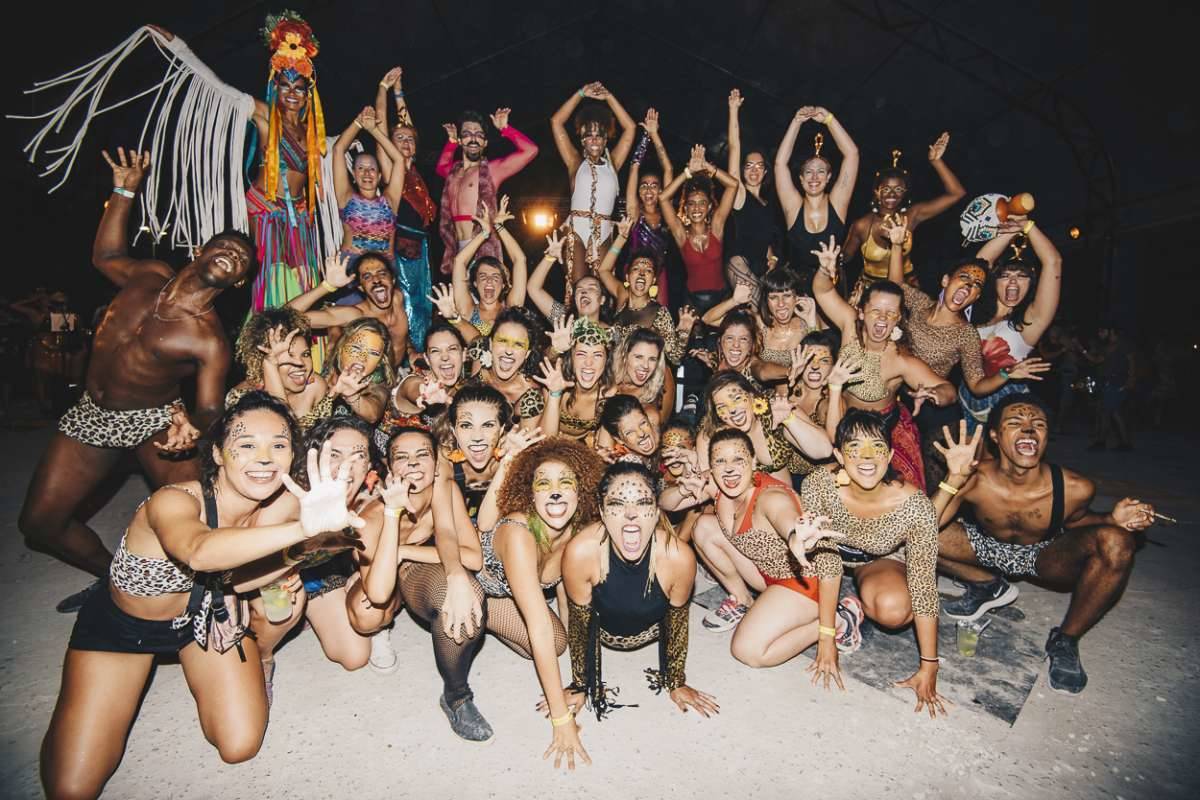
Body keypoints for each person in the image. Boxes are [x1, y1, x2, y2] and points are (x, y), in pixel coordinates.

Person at [40, 391, 365, 799]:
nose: (264, 458)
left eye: (278, 446)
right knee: (72, 788)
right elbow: (200, 552)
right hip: (123, 631)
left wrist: (302, 552)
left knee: (240, 745)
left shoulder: (272, 507)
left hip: (202, 622)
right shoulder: (174, 500)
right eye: (246, 445)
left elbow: (240, 581)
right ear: (217, 454)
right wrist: (304, 532)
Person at [19, 149, 254, 609]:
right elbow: (106, 254)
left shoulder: (209, 340)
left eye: (242, 259)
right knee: (40, 523)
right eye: (225, 246)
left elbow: (209, 407)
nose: (231, 255)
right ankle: (118, 580)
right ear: (199, 250)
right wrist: (125, 190)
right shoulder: (147, 275)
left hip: (154, 422)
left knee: (200, 519)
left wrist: (191, 427)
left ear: (240, 282)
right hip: (92, 414)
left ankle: (210, 601)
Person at [22, 17, 332, 315]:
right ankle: (269, 342)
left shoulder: (313, 134)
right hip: (265, 208)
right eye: (285, 85)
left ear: (308, 94)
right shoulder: (265, 116)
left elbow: (336, 146)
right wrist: (178, 47)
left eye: (299, 87)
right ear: (275, 87)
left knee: (306, 277)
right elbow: (218, 86)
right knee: (274, 277)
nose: (292, 93)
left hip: (301, 216)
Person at [933, 395, 1155, 693]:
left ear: (1047, 435)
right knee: (911, 529)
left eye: (1038, 425)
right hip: (983, 546)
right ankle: (987, 585)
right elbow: (928, 523)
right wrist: (954, 478)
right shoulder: (976, 476)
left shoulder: (1075, 486)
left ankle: (1065, 640)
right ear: (996, 436)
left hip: (1043, 556)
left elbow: (1077, 523)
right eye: (1016, 423)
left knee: (1117, 543)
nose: (1028, 430)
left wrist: (1111, 520)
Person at [880, 216, 1049, 485]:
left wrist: (1008, 374)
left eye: (976, 286)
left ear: (976, 297)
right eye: (964, 278)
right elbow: (894, 287)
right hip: (896, 394)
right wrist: (898, 245)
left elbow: (977, 385)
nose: (969, 286)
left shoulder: (966, 333)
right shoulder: (920, 302)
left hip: (934, 410)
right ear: (946, 280)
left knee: (931, 478)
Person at [801, 410, 947, 716]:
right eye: (854, 447)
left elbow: (923, 584)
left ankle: (855, 606)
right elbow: (827, 560)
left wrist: (929, 665)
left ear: (890, 454)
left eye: (876, 447)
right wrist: (826, 638)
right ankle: (840, 615)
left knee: (894, 609)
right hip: (825, 558)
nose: (866, 457)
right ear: (839, 455)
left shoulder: (913, 505)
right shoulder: (819, 484)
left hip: (877, 559)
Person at [474, 439, 606, 769]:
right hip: (478, 590)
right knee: (545, 637)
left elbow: (572, 602)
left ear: (582, 491)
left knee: (558, 642)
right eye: (543, 483)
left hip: (513, 597)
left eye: (566, 483)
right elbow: (538, 624)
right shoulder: (520, 532)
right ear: (530, 494)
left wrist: (580, 681)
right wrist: (561, 720)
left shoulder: (578, 531)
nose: (556, 492)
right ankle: (478, 622)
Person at [562, 462, 719, 719]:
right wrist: (581, 684)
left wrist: (675, 681)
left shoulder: (678, 557)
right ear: (602, 511)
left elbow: (677, 623)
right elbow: (580, 625)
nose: (631, 514)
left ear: (657, 512)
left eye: (643, 502)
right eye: (617, 504)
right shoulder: (581, 552)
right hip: (603, 633)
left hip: (652, 632)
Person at [686, 430, 849, 666]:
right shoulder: (722, 482)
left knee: (747, 651)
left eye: (738, 459)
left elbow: (787, 520)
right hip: (767, 574)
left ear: (753, 461)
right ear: (711, 466)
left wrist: (797, 537)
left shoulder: (771, 497)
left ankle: (837, 618)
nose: (729, 468)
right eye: (720, 461)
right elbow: (666, 501)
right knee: (703, 527)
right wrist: (681, 483)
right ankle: (743, 600)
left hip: (803, 584)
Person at [811, 237, 956, 490]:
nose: (882, 318)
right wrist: (824, 271)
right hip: (840, 414)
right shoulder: (848, 326)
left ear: (898, 318)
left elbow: (949, 391)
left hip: (885, 427)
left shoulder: (901, 360)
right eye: (876, 310)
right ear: (861, 311)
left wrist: (934, 394)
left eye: (890, 313)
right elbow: (823, 291)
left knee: (901, 493)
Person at [248, 416, 377, 699]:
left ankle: (309, 613)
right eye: (335, 454)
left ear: (369, 465)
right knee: (283, 608)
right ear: (315, 458)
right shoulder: (288, 498)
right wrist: (288, 563)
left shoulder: (369, 501)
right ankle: (263, 657)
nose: (346, 465)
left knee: (354, 656)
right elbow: (245, 564)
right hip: (267, 575)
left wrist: (360, 573)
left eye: (358, 456)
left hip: (321, 576)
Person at [961, 215, 1063, 431]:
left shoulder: (1030, 321)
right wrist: (1010, 231)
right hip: (966, 398)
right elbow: (979, 263)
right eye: (1005, 275)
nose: (1013, 282)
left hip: (1007, 402)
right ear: (993, 280)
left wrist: (1028, 226)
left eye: (1022, 276)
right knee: (968, 463)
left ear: (1031, 283)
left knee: (1000, 465)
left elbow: (1053, 262)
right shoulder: (973, 314)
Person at [841, 133, 966, 285]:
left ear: (905, 193)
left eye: (899, 190)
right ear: (876, 192)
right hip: (871, 288)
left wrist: (936, 161)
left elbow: (956, 193)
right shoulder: (862, 225)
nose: (892, 194)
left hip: (906, 286)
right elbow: (845, 256)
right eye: (886, 189)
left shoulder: (912, 216)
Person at [374, 66, 438, 350]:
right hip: (399, 246)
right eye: (399, 140)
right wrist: (384, 90)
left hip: (421, 247)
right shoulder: (392, 169)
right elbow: (380, 129)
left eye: (411, 139)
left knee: (424, 304)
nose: (407, 142)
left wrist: (401, 93)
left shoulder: (416, 173)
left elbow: (405, 126)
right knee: (405, 305)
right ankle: (405, 356)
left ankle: (423, 355)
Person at [550, 83, 638, 281]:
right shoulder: (575, 162)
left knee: (603, 289)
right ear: (582, 140)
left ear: (606, 139)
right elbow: (556, 122)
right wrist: (580, 93)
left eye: (599, 135)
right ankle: (565, 313)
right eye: (589, 136)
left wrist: (609, 97)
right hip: (576, 230)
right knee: (578, 287)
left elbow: (631, 128)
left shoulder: (613, 163)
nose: (595, 140)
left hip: (605, 230)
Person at [437, 107, 538, 275]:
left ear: (485, 143)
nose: (474, 138)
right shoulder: (453, 173)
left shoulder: (492, 170)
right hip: (457, 251)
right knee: (459, 301)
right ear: (461, 140)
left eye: (479, 134)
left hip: (482, 250)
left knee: (486, 300)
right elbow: (441, 167)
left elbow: (531, 150)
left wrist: (505, 129)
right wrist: (450, 143)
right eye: (467, 133)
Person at [693, 371, 829, 484]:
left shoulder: (776, 409)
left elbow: (824, 450)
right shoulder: (711, 435)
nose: (732, 410)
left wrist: (789, 419)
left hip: (785, 497)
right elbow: (707, 487)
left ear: (751, 396)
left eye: (737, 398)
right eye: (722, 407)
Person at [774, 106, 858, 283]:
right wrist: (796, 122)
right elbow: (780, 163)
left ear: (828, 178)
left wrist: (829, 119)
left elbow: (852, 154)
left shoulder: (838, 202)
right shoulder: (793, 205)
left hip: (830, 282)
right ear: (801, 179)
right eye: (808, 172)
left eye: (820, 171)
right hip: (795, 287)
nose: (814, 177)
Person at [598, 216, 697, 365]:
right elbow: (604, 270)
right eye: (636, 269)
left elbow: (675, 357)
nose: (642, 273)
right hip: (616, 375)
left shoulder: (659, 313)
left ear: (654, 281)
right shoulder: (622, 297)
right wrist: (622, 238)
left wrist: (684, 332)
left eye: (648, 270)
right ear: (627, 276)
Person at [287, 251, 415, 367]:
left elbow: (400, 335)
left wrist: (411, 352)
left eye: (382, 273)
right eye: (367, 277)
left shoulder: (397, 298)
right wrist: (327, 286)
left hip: (395, 377)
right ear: (360, 287)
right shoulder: (355, 315)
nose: (376, 280)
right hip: (366, 387)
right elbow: (285, 315)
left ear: (392, 280)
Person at [660, 145, 740, 312]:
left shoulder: (717, 227)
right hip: (692, 301)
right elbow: (663, 198)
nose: (697, 208)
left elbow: (733, 185)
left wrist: (708, 167)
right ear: (686, 209)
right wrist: (688, 171)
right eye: (691, 204)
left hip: (721, 298)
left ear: (709, 206)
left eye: (702, 203)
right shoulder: (681, 234)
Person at [227, 309, 334, 431]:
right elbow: (282, 432)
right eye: (290, 355)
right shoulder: (243, 397)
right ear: (262, 360)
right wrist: (270, 364)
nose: (301, 363)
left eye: (305, 354)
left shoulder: (315, 387)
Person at [725, 89, 784, 301]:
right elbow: (734, 147)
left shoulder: (768, 205)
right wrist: (733, 110)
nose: (754, 170)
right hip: (740, 265)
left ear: (765, 172)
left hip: (761, 271)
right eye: (749, 166)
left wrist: (772, 257)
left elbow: (765, 238)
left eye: (759, 166)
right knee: (757, 313)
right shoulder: (740, 195)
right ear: (742, 171)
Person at [375, 321, 469, 449]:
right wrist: (424, 394)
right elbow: (414, 389)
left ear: (463, 354)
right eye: (435, 351)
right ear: (427, 359)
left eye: (452, 349)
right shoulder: (415, 381)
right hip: (388, 461)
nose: (445, 357)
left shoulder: (465, 387)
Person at [623, 108, 682, 308]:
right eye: (644, 185)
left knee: (659, 319)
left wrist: (655, 134)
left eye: (654, 185)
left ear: (661, 190)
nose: (649, 190)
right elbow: (634, 167)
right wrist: (645, 137)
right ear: (638, 191)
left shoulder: (666, 213)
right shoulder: (634, 212)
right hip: (632, 271)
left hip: (659, 272)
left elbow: (668, 169)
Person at [331, 106, 406, 261]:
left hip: (383, 272)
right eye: (361, 168)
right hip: (351, 272)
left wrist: (373, 130)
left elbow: (399, 160)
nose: (366, 173)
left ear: (379, 176)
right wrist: (358, 122)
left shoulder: (390, 201)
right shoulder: (346, 197)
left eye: (372, 168)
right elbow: (338, 149)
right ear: (354, 174)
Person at [449, 200, 528, 339]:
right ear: (474, 283)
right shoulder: (467, 310)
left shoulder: (511, 309)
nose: (489, 281)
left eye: (496, 277)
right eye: (483, 277)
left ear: (504, 284)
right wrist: (484, 233)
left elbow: (519, 260)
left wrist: (499, 227)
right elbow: (459, 262)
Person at [474, 309, 549, 432]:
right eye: (503, 341)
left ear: (527, 354)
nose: (509, 351)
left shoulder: (531, 397)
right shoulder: (477, 372)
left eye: (518, 344)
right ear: (491, 344)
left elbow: (527, 447)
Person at [528, 230, 614, 329]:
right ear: (574, 299)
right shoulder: (563, 321)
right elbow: (533, 288)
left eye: (591, 288)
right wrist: (550, 258)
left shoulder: (613, 334)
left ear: (602, 299)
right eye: (579, 289)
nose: (584, 292)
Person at [546, 317, 612, 444]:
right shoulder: (555, 381)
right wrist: (555, 350)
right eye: (581, 354)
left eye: (597, 355)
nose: (589, 363)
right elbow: (545, 442)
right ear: (571, 357)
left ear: (606, 360)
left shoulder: (608, 396)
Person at [321, 317, 395, 424]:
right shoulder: (321, 379)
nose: (362, 358)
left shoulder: (379, 386)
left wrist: (352, 396)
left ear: (380, 362)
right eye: (356, 347)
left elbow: (373, 415)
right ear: (341, 348)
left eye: (373, 353)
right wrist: (331, 396)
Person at [1084, 323, 1135, 451]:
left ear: (1111, 332)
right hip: (1114, 382)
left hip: (1115, 382)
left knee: (1108, 412)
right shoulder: (1119, 345)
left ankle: (1104, 442)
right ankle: (1123, 442)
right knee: (1113, 412)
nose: (1100, 334)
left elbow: (1096, 360)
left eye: (1102, 331)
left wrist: (1081, 350)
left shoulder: (1115, 345)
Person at [609, 328, 672, 424]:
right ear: (624, 354)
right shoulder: (606, 375)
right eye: (639, 357)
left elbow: (659, 425)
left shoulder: (661, 382)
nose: (645, 366)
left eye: (652, 359)